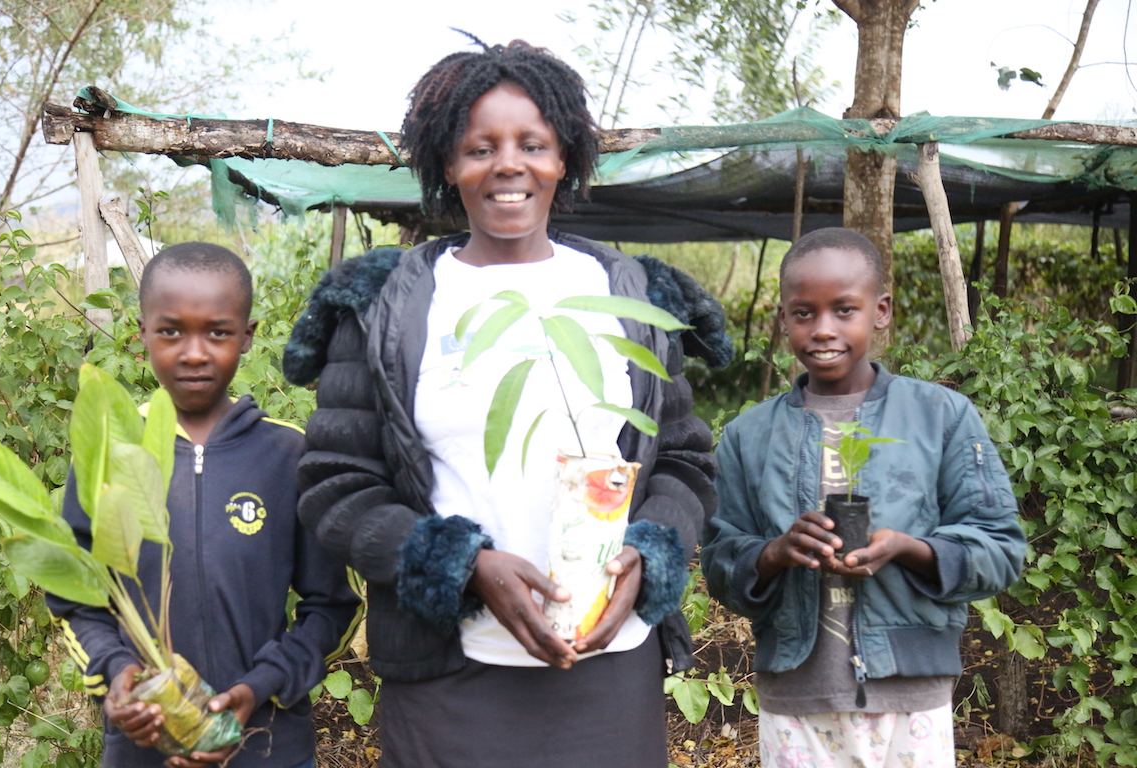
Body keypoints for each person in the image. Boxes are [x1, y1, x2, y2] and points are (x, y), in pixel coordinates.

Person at [282, 37, 732, 768]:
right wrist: (462, 564)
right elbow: (335, 486)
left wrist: (652, 554)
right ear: (446, 166)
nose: (508, 165)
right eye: (478, 147)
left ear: (566, 158)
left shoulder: (630, 295)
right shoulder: (389, 308)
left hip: (606, 664)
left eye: (533, 143)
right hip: (451, 675)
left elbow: (683, 461)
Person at [700, 227, 1025, 768]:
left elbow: (1000, 547)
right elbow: (719, 564)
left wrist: (905, 547)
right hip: (796, 699)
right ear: (783, 320)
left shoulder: (940, 418)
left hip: (910, 697)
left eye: (844, 310)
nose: (822, 329)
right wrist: (775, 553)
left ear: (881, 311)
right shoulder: (747, 435)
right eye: (803, 313)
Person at [48, 243, 361, 768]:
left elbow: (333, 606)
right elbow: (77, 599)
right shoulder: (109, 452)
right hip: (142, 743)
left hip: (268, 743)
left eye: (217, 331)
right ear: (142, 333)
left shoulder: (289, 455)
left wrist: (261, 685)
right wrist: (117, 672)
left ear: (247, 336)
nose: (194, 352)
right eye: (171, 331)